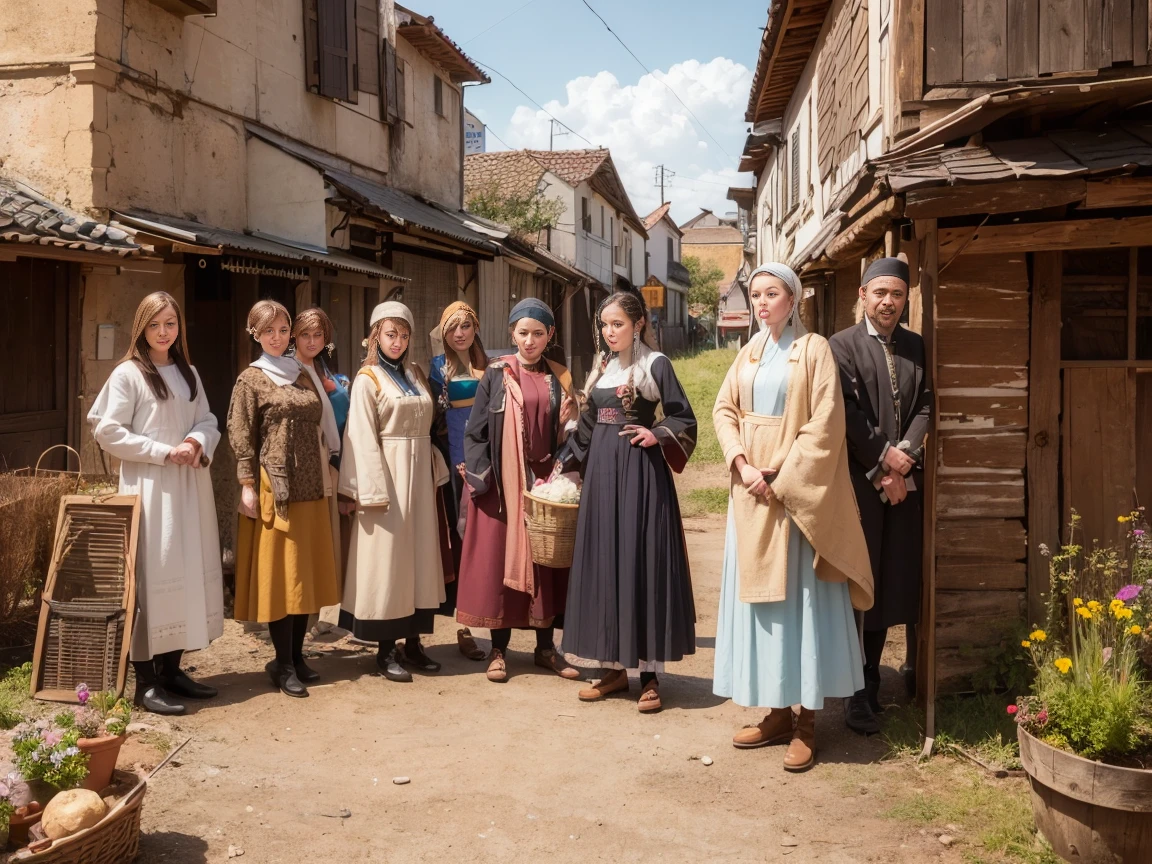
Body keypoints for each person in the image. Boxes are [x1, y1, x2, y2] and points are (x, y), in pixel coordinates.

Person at [712, 264, 874, 771]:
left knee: (800, 602)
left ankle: (807, 721)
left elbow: (826, 422)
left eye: (771, 293)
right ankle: (778, 710)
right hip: (751, 493)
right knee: (765, 607)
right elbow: (724, 409)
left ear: (793, 299)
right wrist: (741, 461)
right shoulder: (748, 351)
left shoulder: (815, 349)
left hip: (795, 493)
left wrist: (777, 472)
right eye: (756, 294)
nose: (761, 302)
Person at [559, 290, 697, 713]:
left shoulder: (655, 364)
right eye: (604, 324)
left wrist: (656, 433)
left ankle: (651, 676)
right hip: (602, 475)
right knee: (605, 563)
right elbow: (586, 425)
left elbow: (683, 417)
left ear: (637, 324)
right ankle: (613, 670)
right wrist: (564, 464)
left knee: (641, 561)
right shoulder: (601, 368)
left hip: (640, 474)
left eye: (617, 323)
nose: (609, 331)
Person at [88, 291, 223, 716]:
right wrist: (163, 451)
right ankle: (145, 682)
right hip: (151, 487)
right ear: (141, 328)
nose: (164, 332)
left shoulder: (189, 373)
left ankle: (171, 670)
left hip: (188, 485)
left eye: (170, 323)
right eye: (155, 325)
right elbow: (106, 429)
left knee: (185, 571)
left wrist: (195, 441)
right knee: (152, 576)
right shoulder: (129, 374)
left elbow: (207, 419)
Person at [829, 255, 933, 735]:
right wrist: (880, 465)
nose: (887, 302)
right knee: (860, 584)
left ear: (906, 297)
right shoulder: (841, 347)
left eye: (896, 293)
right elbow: (846, 414)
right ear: (862, 296)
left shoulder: (916, 346)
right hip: (859, 484)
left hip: (905, 483)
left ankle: (872, 681)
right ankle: (853, 691)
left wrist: (905, 456)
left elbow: (927, 404)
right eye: (879, 293)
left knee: (893, 581)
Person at [457, 298, 581, 684]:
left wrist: (562, 464)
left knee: (546, 567)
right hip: (503, 485)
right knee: (500, 566)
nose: (530, 341)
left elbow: (573, 431)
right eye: (523, 333)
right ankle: (499, 649)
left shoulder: (559, 376)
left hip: (544, 484)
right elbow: (475, 433)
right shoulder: (496, 374)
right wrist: (484, 478)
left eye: (538, 334)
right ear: (512, 333)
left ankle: (546, 649)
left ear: (550, 336)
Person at [227, 300, 340, 699]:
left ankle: (296, 655)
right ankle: (283, 663)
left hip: (310, 484)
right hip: (277, 486)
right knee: (283, 577)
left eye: (282, 329)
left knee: (303, 575)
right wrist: (246, 485)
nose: (277, 337)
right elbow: (240, 433)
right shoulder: (251, 379)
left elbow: (321, 423)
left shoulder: (301, 373)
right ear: (255, 334)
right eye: (268, 330)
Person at [338, 301, 448, 683]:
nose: (397, 342)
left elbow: (429, 426)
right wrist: (369, 490)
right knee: (388, 563)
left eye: (403, 335)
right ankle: (386, 650)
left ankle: (414, 642)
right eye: (390, 334)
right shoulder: (368, 379)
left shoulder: (416, 373)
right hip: (386, 478)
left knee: (417, 559)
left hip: (417, 480)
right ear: (374, 336)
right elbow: (360, 436)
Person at [428, 301, 488, 662]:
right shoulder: (437, 369)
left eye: (466, 326)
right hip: (453, 462)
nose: (460, 333)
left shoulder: (492, 365)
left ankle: (492, 615)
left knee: (488, 539)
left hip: (487, 459)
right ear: (444, 333)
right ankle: (463, 624)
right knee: (460, 538)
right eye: (453, 328)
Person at [292, 308, 351, 629]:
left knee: (328, 544)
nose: (312, 341)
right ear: (294, 337)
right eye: (305, 335)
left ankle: (318, 616)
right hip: (305, 466)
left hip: (335, 464)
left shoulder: (330, 372)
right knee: (307, 545)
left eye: (318, 335)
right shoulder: (287, 371)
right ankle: (303, 618)